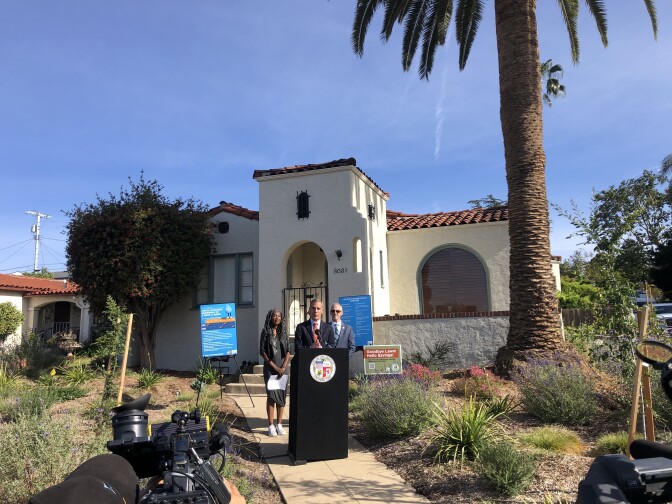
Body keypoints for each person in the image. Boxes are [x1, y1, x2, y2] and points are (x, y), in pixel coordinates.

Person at [259, 308, 291, 437]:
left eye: (278, 316)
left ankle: (279, 424)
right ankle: (271, 425)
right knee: (271, 397)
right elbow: (262, 352)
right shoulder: (265, 332)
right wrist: (275, 367)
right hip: (270, 369)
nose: (276, 318)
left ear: (281, 318)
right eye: (274, 316)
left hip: (283, 369)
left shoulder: (284, 333)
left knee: (281, 397)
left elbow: (288, 351)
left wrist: (283, 366)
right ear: (270, 317)